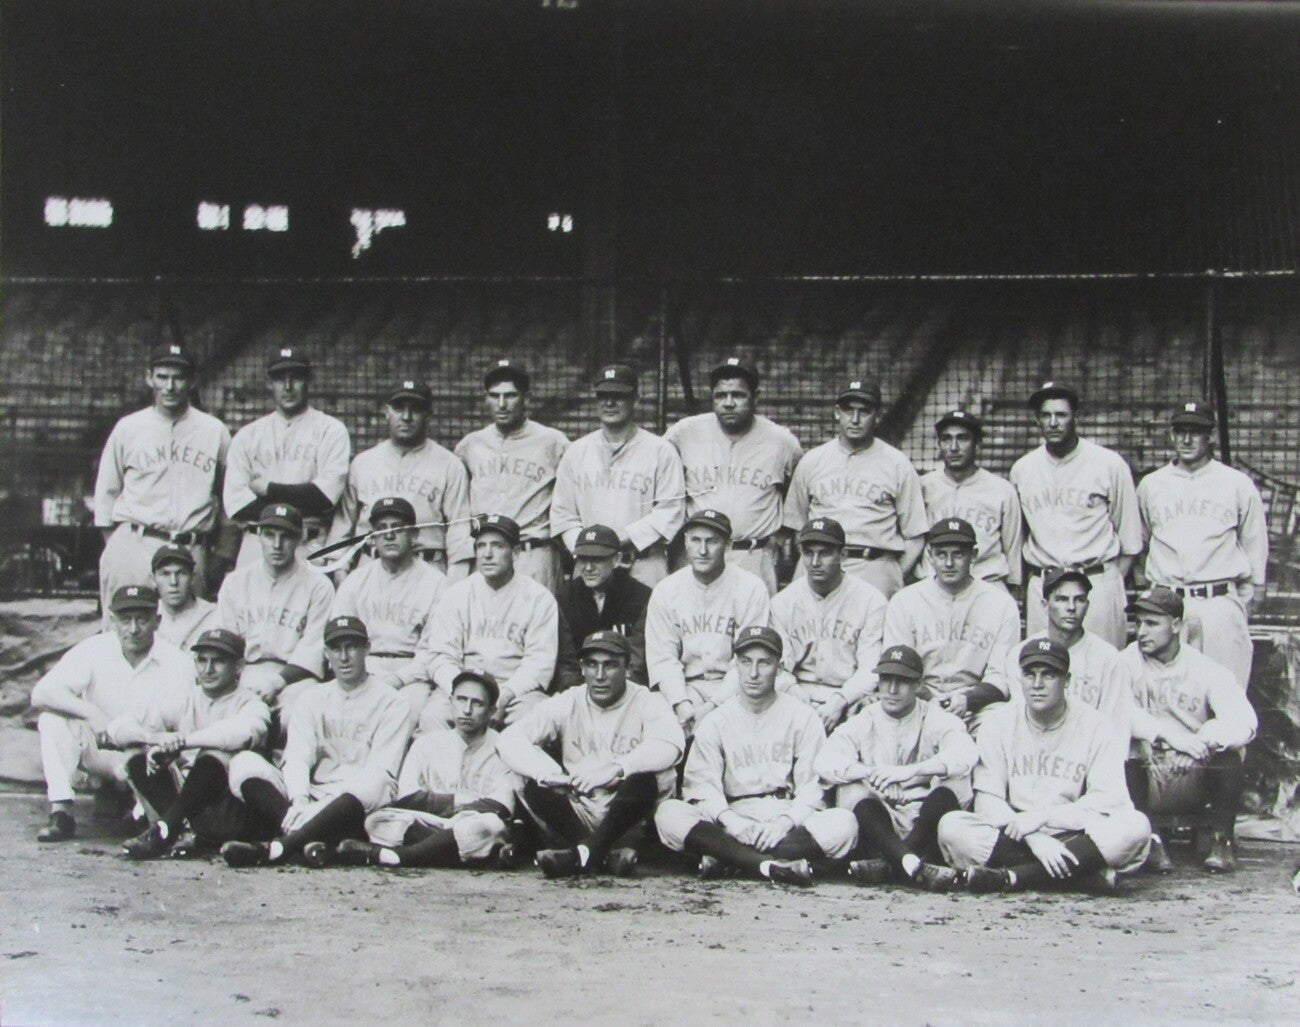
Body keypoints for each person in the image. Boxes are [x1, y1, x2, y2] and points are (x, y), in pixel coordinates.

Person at [937, 639, 1152, 894]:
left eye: (1048, 675)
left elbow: (1108, 800)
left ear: (1067, 680)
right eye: (1030, 674)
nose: (1037, 684)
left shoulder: (1096, 725)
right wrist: (1034, 838)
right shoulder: (999, 723)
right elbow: (987, 799)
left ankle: (1010, 878)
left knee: (1136, 826)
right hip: (1017, 836)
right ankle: (1085, 877)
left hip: (1077, 836)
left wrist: (1047, 817)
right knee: (952, 827)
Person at [654, 626, 857, 885]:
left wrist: (783, 823)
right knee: (669, 813)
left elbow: (812, 788)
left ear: (780, 667)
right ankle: (772, 864)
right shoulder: (716, 721)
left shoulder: (802, 716)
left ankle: (732, 860)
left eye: (764, 663)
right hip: (732, 817)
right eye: (746, 662)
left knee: (844, 823)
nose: (753, 673)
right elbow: (702, 787)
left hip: (784, 820)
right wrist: (733, 823)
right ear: (734, 666)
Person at [219, 616, 411, 868]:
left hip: (357, 804)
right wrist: (300, 800)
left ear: (367, 649)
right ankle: (310, 843)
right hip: (311, 795)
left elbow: (381, 769)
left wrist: (319, 809)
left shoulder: (392, 701)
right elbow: (298, 756)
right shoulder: (311, 697)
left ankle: (278, 848)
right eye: (335, 648)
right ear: (326, 653)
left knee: (376, 781)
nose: (343, 657)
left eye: (351, 647)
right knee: (244, 762)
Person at [498, 631, 685, 878]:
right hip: (578, 808)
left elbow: (671, 744)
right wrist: (548, 775)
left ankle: (582, 853)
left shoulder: (645, 700)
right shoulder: (569, 700)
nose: (599, 676)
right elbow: (509, 739)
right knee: (522, 774)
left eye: (610, 666)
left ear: (627, 669)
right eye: (591, 665)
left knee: (652, 775)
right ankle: (597, 851)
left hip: (627, 814)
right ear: (582, 668)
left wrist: (617, 768)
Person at [31, 585, 192, 842]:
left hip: (145, 756)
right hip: (99, 750)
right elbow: (42, 693)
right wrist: (92, 714)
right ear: (112, 621)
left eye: (142, 619)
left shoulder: (178, 662)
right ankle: (61, 812)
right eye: (125, 619)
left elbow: (185, 725)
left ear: (157, 620)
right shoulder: (95, 648)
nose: (133, 628)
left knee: (151, 815)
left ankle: (142, 812)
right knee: (52, 720)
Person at [817, 644, 977, 892]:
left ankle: (893, 864)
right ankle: (913, 864)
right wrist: (873, 775)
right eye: (885, 680)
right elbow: (825, 761)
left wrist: (912, 771)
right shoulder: (865, 719)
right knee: (850, 788)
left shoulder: (934, 716)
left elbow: (965, 753)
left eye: (901, 681)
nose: (891, 690)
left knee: (958, 780)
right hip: (881, 818)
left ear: (918, 684)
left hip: (925, 819)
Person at [1121, 587, 1258, 873]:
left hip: (1193, 771)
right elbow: (1116, 713)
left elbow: (1245, 720)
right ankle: (1152, 840)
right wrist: (1169, 737)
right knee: (1125, 746)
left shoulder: (1204, 667)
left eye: (1152, 623)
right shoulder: (1124, 662)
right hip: (1145, 773)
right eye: (1139, 623)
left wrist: (1206, 739)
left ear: (1176, 625)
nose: (1141, 632)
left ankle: (1222, 839)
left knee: (1232, 752)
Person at [1137, 401, 1268, 689]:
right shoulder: (1151, 485)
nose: (1186, 439)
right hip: (1168, 601)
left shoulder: (1236, 484)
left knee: (1226, 692)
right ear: (1171, 435)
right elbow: (1141, 543)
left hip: (1217, 602)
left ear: (1210, 436)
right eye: (1180, 431)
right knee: (1166, 692)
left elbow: (1254, 545)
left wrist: (1241, 600)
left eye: (1195, 432)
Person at [334, 670, 523, 869]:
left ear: (492, 711)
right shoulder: (427, 743)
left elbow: (502, 806)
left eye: (477, 703)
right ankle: (468, 855)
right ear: (451, 701)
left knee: (484, 826)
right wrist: (457, 801)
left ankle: (399, 857)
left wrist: (452, 812)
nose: (466, 710)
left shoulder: (503, 746)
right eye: (461, 699)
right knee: (376, 821)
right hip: (430, 822)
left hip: (473, 822)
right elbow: (407, 797)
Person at [112, 628, 272, 860]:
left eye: (218, 662)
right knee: (136, 754)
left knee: (214, 755)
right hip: (190, 809)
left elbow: (236, 735)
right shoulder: (185, 698)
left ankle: (166, 830)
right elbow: (118, 727)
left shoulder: (251, 703)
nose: (208, 670)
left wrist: (181, 743)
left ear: (238, 667)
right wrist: (156, 740)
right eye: (202, 661)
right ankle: (179, 831)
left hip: (230, 811)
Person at [93, 342, 229, 611]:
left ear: (192, 381)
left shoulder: (215, 431)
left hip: (189, 547)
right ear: (149, 378)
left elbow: (230, 500)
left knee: (187, 637)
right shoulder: (128, 428)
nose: (170, 386)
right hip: (136, 543)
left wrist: (219, 557)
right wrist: (121, 547)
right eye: (162, 377)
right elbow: (106, 495)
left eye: (178, 378)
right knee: (125, 635)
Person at [1010, 381, 1142, 649]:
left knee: (1103, 674)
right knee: (1046, 671)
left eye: (1061, 415)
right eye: (1046, 416)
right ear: (1038, 421)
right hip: (1045, 585)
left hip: (1095, 584)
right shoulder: (1022, 470)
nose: (1054, 422)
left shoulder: (1109, 464)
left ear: (1075, 418)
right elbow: (1018, 537)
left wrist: (1109, 582)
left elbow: (1129, 539)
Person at [664, 356, 802, 594]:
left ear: (755, 397)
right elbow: (658, 472)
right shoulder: (684, 432)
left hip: (753, 555)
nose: (728, 403)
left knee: (754, 629)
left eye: (738, 395)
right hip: (699, 555)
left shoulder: (782, 441)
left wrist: (778, 541)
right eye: (720, 396)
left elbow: (798, 495)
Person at [783, 378, 927, 598]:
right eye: (849, 410)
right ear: (837, 413)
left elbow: (915, 535)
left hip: (873, 566)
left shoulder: (898, 464)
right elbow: (797, 526)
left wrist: (894, 573)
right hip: (818, 566)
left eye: (864, 411)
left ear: (877, 416)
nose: (856, 419)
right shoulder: (812, 461)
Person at [412, 514, 558, 731]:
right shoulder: (457, 594)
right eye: (481, 546)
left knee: (533, 719)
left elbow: (539, 663)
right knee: (432, 717)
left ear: (515, 553)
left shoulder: (539, 598)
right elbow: (441, 656)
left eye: (497, 546)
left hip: (514, 691)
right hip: (463, 685)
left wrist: (505, 695)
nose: (487, 554)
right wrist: (464, 694)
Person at [551, 363, 685, 588]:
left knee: (644, 623)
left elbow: (670, 512)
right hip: (589, 567)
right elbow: (563, 515)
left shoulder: (661, 451)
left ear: (636, 399)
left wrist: (620, 542)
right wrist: (592, 549)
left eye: (618, 396)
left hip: (643, 564)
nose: (609, 403)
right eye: (603, 396)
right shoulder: (576, 452)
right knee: (589, 624)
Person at [883, 518, 1020, 728]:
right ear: (929, 555)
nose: (948, 563)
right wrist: (931, 701)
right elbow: (899, 666)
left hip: (977, 705)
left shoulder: (1000, 604)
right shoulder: (905, 601)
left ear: (973, 555)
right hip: (916, 700)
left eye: (958, 554)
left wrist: (968, 699)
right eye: (941, 554)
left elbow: (1000, 676)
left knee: (1002, 723)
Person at [330, 379, 473, 578]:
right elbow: (343, 527)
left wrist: (454, 584)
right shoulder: (363, 463)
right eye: (399, 408)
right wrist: (341, 573)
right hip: (371, 566)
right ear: (387, 412)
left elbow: (459, 532)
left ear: (428, 415)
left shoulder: (450, 465)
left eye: (415, 409)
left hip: (427, 568)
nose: (406, 417)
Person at [645, 509, 770, 734]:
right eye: (696, 540)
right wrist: (681, 704)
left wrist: (714, 706)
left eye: (712, 542)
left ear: (728, 545)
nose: (702, 550)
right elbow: (663, 659)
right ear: (685, 542)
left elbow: (748, 660)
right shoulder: (666, 590)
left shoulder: (751, 588)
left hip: (737, 689)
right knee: (660, 727)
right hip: (685, 688)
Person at [223, 346, 350, 568]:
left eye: (296, 378)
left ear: (309, 380)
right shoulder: (248, 435)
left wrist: (269, 490)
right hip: (256, 543)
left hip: (307, 542)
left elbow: (323, 498)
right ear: (269, 383)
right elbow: (237, 506)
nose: (288, 386)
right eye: (281, 379)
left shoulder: (331, 430)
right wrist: (300, 495)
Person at [330, 496, 446, 732]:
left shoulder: (437, 584)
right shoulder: (355, 582)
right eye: (381, 529)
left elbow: (435, 651)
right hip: (362, 670)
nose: (389, 535)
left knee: (405, 716)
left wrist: (397, 679)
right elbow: (338, 639)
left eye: (397, 529)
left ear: (414, 535)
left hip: (411, 675)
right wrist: (363, 676)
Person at [455, 359, 571, 593]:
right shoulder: (471, 445)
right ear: (486, 398)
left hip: (533, 552)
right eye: (494, 396)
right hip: (486, 554)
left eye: (510, 395)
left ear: (526, 398)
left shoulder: (553, 442)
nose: (502, 404)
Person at [214, 503, 334, 719]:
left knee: (298, 715)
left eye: (286, 536)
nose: (277, 545)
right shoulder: (236, 582)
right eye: (270, 535)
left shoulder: (319, 585)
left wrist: (278, 682)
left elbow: (313, 649)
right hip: (245, 673)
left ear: (299, 538)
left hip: (296, 678)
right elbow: (225, 644)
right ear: (258, 535)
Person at [769, 517, 886, 731]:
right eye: (808, 553)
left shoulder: (871, 600)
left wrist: (840, 701)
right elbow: (777, 668)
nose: (815, 562)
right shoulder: (782, 603)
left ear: (843, 554)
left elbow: (870, 668)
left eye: (824, 553)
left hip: (850, 697)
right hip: (795, 695)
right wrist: (799, 699)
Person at [1011, 568, 1134, 743]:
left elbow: (1115, 725)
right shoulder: (1021, 654)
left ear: (1088, 605)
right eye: (1062, 599)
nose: (1071, 607)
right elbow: (1022, 723)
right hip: (1039, 753)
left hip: (1091, 752)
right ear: (1045, 605)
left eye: (1079, 600)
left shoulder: (1108, 658)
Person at [918, 409, 1022, 588]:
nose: (953, 447)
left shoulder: (1002, 490)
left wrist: (1013, 590)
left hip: (987, 585)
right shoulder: (922, 487)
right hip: (932, 588)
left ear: (978, 444)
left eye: (962, 438)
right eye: (946, 439)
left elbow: (1013, 552)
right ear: (939, 444)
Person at [554, 524, 651, 687]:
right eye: (583, 559)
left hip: (626, 690)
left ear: (617, 560)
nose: (588, 568)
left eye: (597, 559)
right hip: (578, 691)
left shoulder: (641, 596)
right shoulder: (565, 596)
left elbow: (636, 663)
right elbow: (566, 664)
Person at [151, 544, 217, 652]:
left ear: (192, 578)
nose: (173, 582)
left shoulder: (213, 614)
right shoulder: (147, 615)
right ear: (153, 579)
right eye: (165, 574)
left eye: (181, 573)